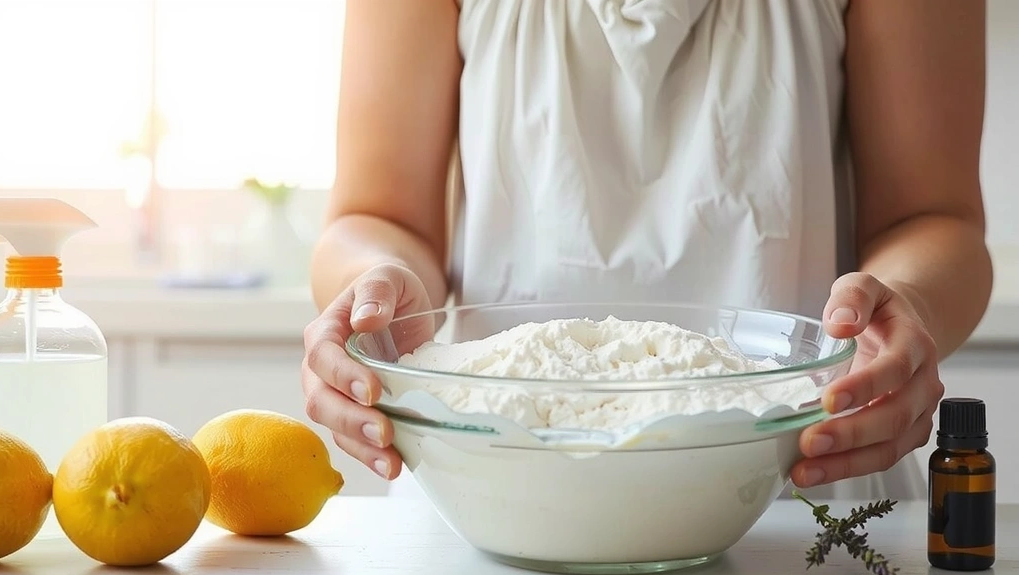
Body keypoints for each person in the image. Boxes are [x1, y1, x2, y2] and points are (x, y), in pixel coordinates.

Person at [300, 0, 993, 501]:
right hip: (495, 485)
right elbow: (377, 214)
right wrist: (372, 291)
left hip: (792, 492)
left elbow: (934, 219)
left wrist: (909, 308)